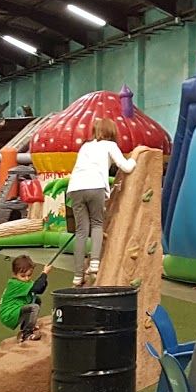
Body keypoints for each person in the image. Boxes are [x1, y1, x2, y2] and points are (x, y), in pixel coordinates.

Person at [65, 117, 136, 287]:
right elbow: (125, 167)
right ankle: (95, 262)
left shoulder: (86, 146)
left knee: (81, 231)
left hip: (75, 188)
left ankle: (77, 274)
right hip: (94, 185)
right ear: (112, 132)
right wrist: (134, 159)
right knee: (97, 223)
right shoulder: (110, 145)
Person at [0, 254, 50, 342]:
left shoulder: (25, 282)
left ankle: (26, 326)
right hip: (9, 314)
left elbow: (39, 290)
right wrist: (44, 274)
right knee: (34, 307)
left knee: (37, 300)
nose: (26, 278)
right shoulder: (16, 283)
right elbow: (36, 288)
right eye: (22, 276)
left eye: (29, 275)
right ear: (14, 274)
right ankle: (27, 334)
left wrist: (44, 280)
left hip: (16, 309)